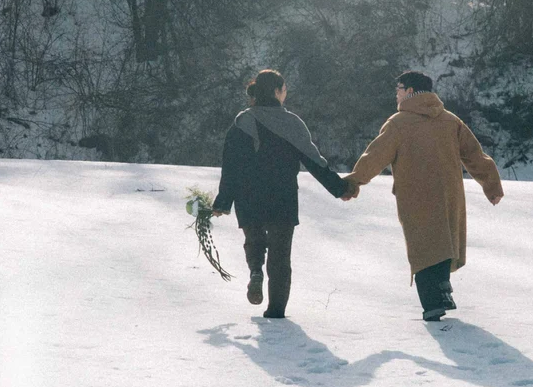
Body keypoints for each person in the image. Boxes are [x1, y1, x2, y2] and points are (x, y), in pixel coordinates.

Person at [343, 71, 503, 321]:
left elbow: (374, 157)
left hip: (416, 196)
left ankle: (433, 304)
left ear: (409, 91)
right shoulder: (450, 120)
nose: (396, 94)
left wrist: (353, 183)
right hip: (449, 194)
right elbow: (475, 155)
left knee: (423, 248)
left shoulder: (398, 123)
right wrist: (491, 186)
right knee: (443, 242)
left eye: (398, 88)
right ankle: (442, 289)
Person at [212, 69, 351, 319]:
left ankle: (256, 271)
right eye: (284, 89)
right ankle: (276, 310)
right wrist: (339, 188)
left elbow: (231, 165)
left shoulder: (243, 122)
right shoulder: (292, 123)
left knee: (254, 239)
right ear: (277, 91)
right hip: (282, 196)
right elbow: (314, 161)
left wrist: (223, 201)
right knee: (280, 255)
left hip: (248, 195)